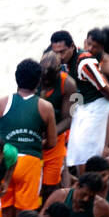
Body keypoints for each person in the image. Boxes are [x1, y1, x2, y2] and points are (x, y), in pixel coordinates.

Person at [0, 58, 57, 217]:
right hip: (30, 163)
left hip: (4, 162)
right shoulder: (45, 107)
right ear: (39, 81)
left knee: (4, 212)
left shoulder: (1, 103)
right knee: (26, 215)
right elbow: (52, 142)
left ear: (16, 78)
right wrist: (33, 143)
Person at [64, 28, 109, 171]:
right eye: (89, 44)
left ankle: (105, 147)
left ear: (101, 48)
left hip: (103, 100)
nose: (90, 48)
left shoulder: (94, 60)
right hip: (85, 101)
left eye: (95, 47)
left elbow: (108, 79)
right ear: (84, 41)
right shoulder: (77, 58)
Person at [38, 55, 77, 198]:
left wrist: (50, 135)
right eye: (43, 78)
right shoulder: (33, 78)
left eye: (49, 79)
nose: (45, 82)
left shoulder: (69, 84)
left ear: (58, 71)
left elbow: (69, 118)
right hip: (34, 137)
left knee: (51, 185)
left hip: (56, 136)